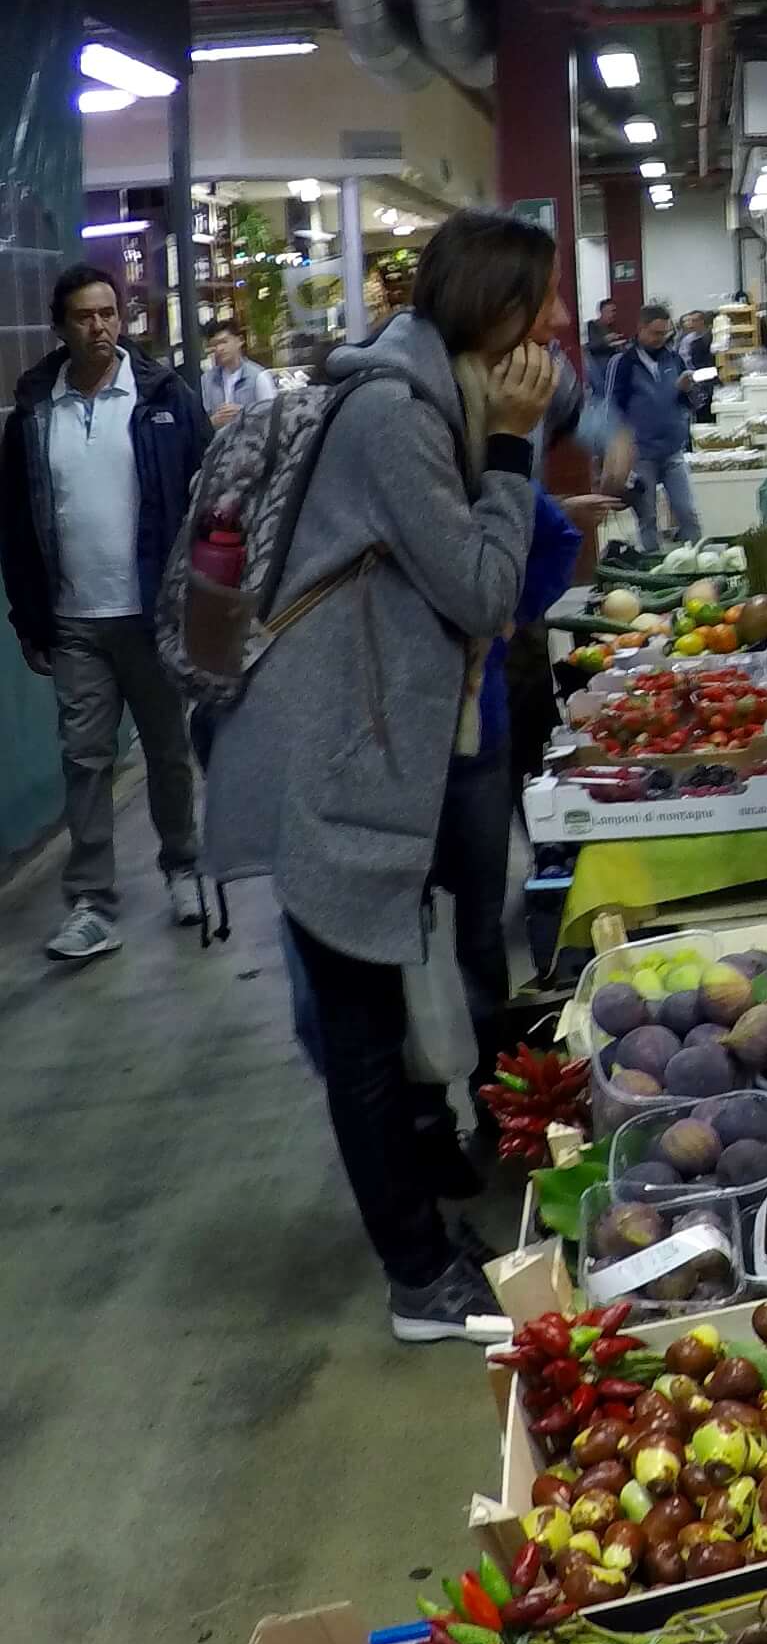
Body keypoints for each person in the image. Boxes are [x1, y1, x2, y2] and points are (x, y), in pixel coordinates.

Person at [205, 207, 558, 1342]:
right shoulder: (399, 418)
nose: (548, 329)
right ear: (490, 311)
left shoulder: (415, 397)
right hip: (332, 758)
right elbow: (484, 588)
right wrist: (512, 443)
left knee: (378, 1019)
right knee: (359, 1029)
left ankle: (420, 1226)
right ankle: (417, 1282)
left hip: (356, 749)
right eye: (535, 305)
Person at [2, 265, 212, 960]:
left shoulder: (161, 397)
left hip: (152, 613)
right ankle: (92, 902)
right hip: (74, 622)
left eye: (109, 313)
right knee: (84, 759)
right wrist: (29, 618)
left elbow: (210, 495)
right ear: (60, 327)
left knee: (167, 753)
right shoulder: (35, 411)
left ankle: (182, 866)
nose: (100, 326)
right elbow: (16, 525)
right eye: (85, 316)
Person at [599, 302, 699, 547]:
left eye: (664, 333)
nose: (660, 338)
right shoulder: (622, 363)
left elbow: (693, 403)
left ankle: (696, 567)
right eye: (655, 333)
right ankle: (652, 570)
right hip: (641, 454)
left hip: (673, 451)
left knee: (687, 513)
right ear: (641, 329)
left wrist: (687, 391)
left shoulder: (674, 359)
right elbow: (611, 408)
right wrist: (613, 450)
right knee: (648, 518)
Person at [199, 320, 277, 427]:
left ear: (240, 341)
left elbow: (272, 417)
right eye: (215, 345)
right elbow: (199, 424)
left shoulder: (258, 376)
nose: (219, 349)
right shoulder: (207, 380)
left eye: (224, 342)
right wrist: (213, 421)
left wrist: (244, 413)